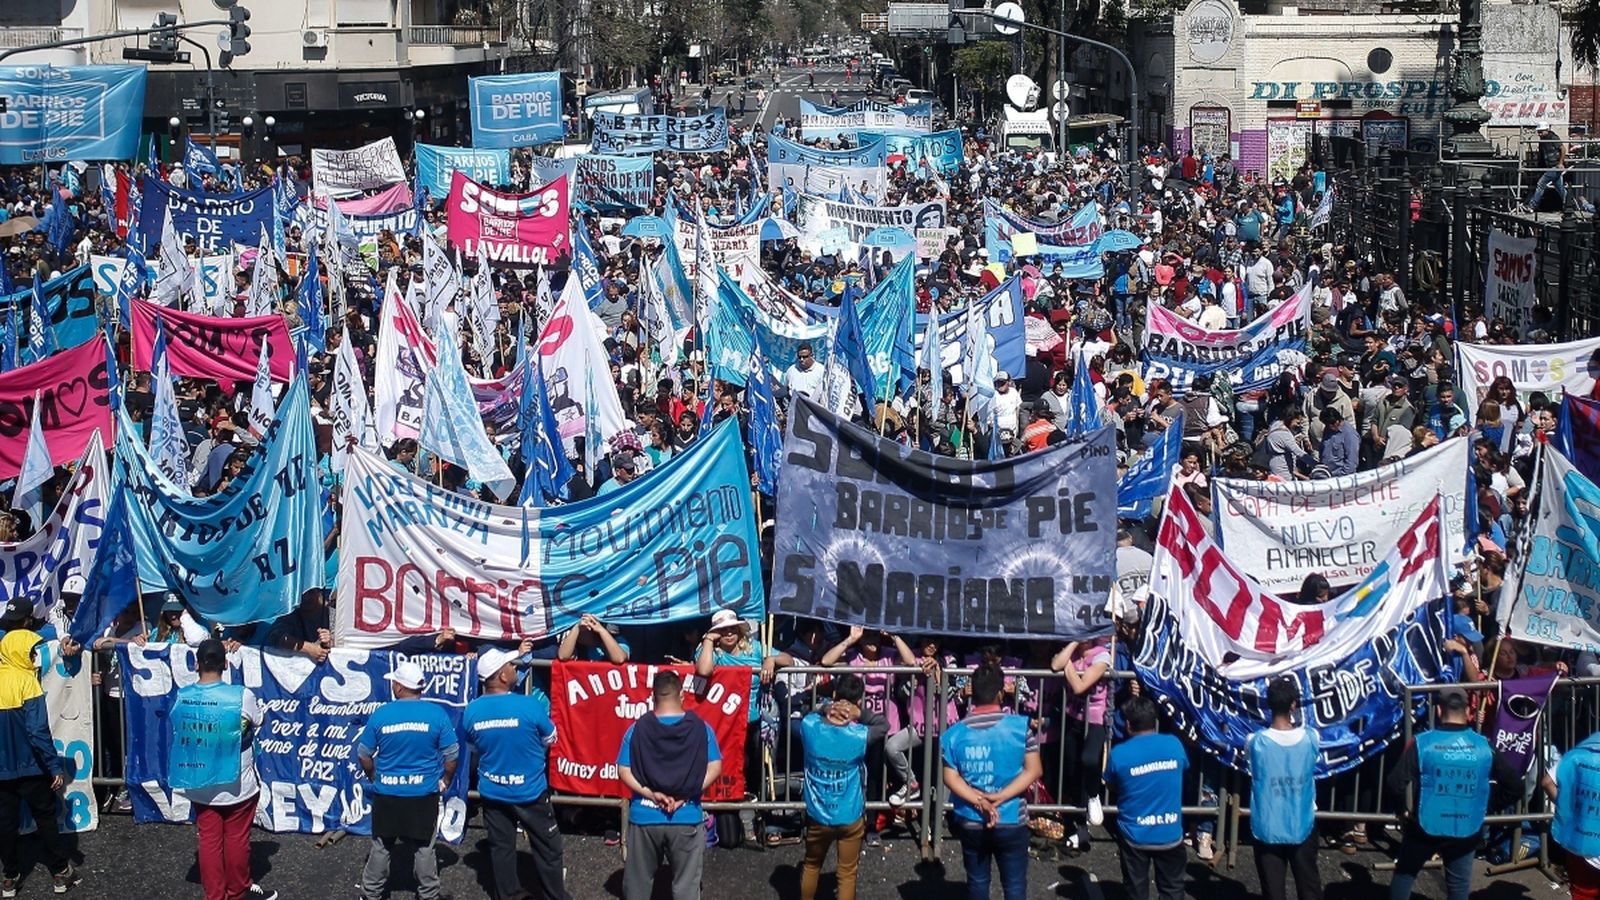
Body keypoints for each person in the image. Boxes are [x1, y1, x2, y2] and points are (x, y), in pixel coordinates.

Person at [1385, 686, 1521, 900]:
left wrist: (1402, 811)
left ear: (1439, 710)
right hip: (1467, 824)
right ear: (1469, 713)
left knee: (1405, 875)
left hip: (1424, 822)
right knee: (1458, 887)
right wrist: (1488, 806)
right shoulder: (1484, 745)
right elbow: (1514, 785)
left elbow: (1394, 783)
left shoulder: (1422, 743)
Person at [169, 639, 276, 900]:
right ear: (225, 664)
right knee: (237, 838)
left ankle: (216, 896)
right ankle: (238, 891)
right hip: (237, 781)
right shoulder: (242, 696)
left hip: (200, 780)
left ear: (196, 665)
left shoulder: (183, 696)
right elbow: (259, 720)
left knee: (209, 839)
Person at [464, 647, 570, 900]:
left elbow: (472, 746)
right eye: (511, 666)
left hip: (492, 791)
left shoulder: (472, 710)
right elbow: (550, 737)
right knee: (548, 848)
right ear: (501, 676)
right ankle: (554, 896)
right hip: (530, 792)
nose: (516, 669)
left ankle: (508, 896)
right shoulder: (528, 705)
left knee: (501, 848)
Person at [356, 660, 459, 900]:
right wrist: (445, 780)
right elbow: (452, 754)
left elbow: (364, 754)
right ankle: (428, 894)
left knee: (382, 846)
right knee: (424, 848)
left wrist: (374, 776)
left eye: (394, 681)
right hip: (423, 794)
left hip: (388, 794)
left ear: (400, 687)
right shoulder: (436, 714)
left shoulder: (382, 714)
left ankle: (370, 894)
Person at [617, 670, 722, 900]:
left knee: (637, 887)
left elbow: (623, 770)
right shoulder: (702, 728)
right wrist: (687, 794)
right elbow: (715, 767)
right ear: (682, 695)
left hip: (644, 815)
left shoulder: (636, 729)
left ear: (653, 697)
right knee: (686, 887)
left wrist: (652, 795)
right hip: (686, 815)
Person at [941, 663, 1041, 900]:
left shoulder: (953, 734)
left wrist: (980, 800)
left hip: (970, 817)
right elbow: (1034, 770)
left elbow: (950, 778)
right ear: (1000, 693)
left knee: (977, 883)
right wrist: (1000, 797)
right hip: (1012, 816)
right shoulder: (1021, 727)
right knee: (1015, 886)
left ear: (971, 692)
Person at [0, 630, 80, 896]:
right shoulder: (28, 681)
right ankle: (60, 873)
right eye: (32, 652)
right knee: (46, 818)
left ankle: (9, 877)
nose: (35, 658)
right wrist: (54, 766)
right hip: (31, 766)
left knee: (5, 822)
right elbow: (38, 731)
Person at [1104, 695, 1188, 900]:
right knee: (1173, 890)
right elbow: (1184, 767)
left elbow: (1110, 783)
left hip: (1135, 836)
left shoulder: (1119, 753)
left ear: (1128, 724)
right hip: (1170, 832)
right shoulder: (1174, 745)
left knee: (1136, 891)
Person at [1247, 677, 1319, 900]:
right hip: (1302, 822)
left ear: (1269, 704)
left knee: (1273, 892)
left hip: (1268, 826)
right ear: (1293, 705)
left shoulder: (1254, 741)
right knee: (1309, 888)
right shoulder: (1311, 737)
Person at [798, 674, 868, 900]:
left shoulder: (810, 727)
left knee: (811, 865)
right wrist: (859, 714)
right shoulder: (860, 735)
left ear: (835, 695)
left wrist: (826, 707)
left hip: (818, 814)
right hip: (850, 814)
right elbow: (882, 724)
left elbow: (810, 713)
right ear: (860, 702)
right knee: (847, 874)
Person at [1550, 728, 1600, 900]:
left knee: (1582, 894)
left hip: (1581, 841)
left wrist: (1570, 810)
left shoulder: (1581, 752)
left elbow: (1547, 782)